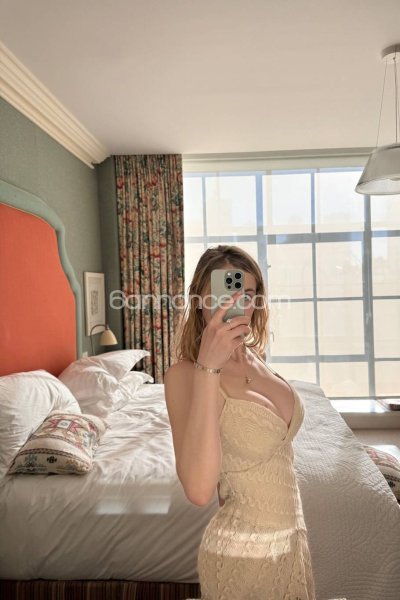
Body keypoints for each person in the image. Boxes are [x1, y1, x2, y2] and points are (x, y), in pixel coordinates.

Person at [164, 245, 316, 600]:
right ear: (199, 301)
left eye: (247, 295)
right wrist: (208, 367)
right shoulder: (184, 375)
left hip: (292, 548)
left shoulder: (256, 358)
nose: (239, 305)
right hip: (242, 557)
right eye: (225, 293)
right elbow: (199, 490)